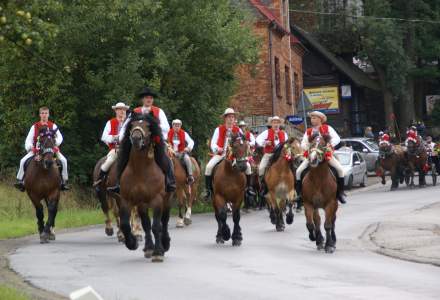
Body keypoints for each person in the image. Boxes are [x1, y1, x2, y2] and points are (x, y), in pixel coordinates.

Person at [109, 87, 176, 193]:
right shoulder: (135, 111)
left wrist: (153, 124)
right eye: (146, 98)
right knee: (123, 156)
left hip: (154, 141)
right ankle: (118, 183)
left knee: (165, 157)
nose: (149, 100)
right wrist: (121, 139)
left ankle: (170, 181)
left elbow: (167, 128)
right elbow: (125, 127)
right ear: (143, 100)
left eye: (150, 98)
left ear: (153, 100)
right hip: (137, 142)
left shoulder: (159, 111)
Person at [295, 111, 346, 204]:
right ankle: (299, 195)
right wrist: (308, 148)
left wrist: (329, 145)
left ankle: (340, 193)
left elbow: (336, 138)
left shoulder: (328, 128)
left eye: (314, 118)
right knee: (298, 171)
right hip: (312, 155)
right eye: (311, 118)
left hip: (325, 155)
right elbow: (304, 143)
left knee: (340, 170)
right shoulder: (308, 131)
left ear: (320, 119)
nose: (312, 120)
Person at [204, 108, 255, 199]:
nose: (231, 119)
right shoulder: (218, 129)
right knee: (208, 167)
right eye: (229, 117)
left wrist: (247, 144)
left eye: (232, 117)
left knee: (248, 166)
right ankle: (208, 190)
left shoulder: (238, 130)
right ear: (225, 118)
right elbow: (213, 143)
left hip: (235, 156)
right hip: (221, 154)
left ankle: (249, 188)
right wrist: (217, 148)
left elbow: (244, 141)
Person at [15, 106, 69, 191]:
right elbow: (28, 140)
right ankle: (21, 181)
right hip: (38, 149)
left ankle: (63, 182)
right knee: (22, 161)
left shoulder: (53, 125)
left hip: (51, 149)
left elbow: (60, 138)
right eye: (42, 113)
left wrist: (55, 144)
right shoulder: (35, 126)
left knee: (64, 161)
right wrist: (31, 148)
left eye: (46, 113)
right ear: (40, 115)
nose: (44, 115)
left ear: (48, 114)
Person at [93, 102, 129, 189]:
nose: (122, 111)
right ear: (116, 111)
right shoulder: (110, 122)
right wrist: (115, 138)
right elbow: (104, 137)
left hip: (129, 149)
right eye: (120, 109)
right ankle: (99, 181)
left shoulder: (129, 122)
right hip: (115, 149)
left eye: (123, 109)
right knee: (109, 161)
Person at [255, 116, 288, 195]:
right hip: (269, 154)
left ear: (280, 124)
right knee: (261, 168)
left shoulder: (284, 133)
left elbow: (287, 144)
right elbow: (258, 139)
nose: (276, 124)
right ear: (271, 124)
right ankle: (263, 186)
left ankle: (293, 185)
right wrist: (265, 143)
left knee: (293, 165)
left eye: (277, 122)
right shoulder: (267, 132)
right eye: (274, 122)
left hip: (281, 156)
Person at [167, 119, 195, 184]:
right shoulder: (168, 133)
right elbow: (164, 141)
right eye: (175, 125)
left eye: (178, 125)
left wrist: (188, 148)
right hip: (170, 152)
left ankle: (190, 176)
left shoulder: (184, 133)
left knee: (187, 159)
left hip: (181, 153)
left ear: (180, 126)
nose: (177, 127)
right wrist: (168, 146)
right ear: (172, 126)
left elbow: (191, 141)